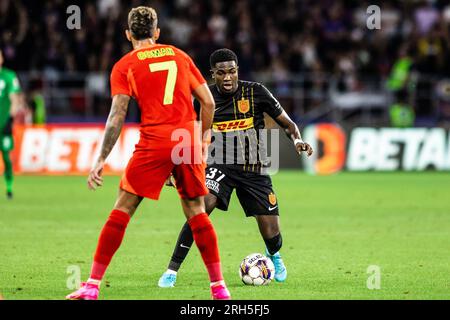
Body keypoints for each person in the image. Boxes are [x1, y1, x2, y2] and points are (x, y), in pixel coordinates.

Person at [66, 6, 230, 300]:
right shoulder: (180, 56)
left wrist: (101, 159)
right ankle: (219, 288)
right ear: (157, 32)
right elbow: (208, 102)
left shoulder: (124, 65)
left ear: (128, 34)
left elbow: (117, 115)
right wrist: (203, 140)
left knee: (123, 208)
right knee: (196, 211)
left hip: (154, 140)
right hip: (185, 139)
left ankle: (91, 286)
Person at [158, 48, 313, 288]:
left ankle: (274, 255)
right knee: (201, 208)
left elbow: (288, 124)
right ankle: (171, 270)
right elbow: (185, 133)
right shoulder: (203, 97)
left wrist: (298, 140)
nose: (228, 77)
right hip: (219, 164)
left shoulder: (256, 92)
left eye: (232, 71)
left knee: (272, 233)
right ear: (213, 74)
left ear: (237, 71)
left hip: (254, 167)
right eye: (222, 73)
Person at [0, 49, 23, 199]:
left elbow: (14, 97)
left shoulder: (9, 76)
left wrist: (11, 118)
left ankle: (9, 188)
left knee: (7, 158)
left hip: (3, 125)